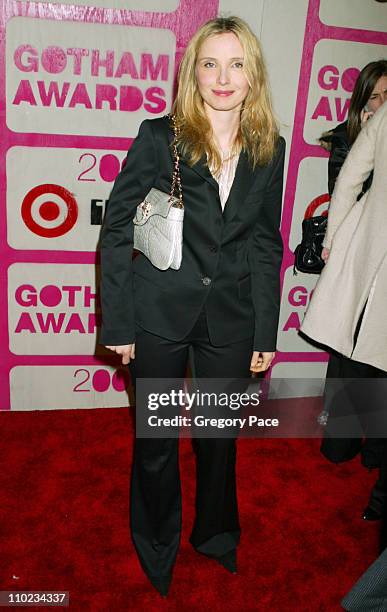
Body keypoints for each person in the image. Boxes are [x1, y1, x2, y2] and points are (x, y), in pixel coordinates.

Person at [99, 16, 285, 597]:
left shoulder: (269, 147)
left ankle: (215, 536)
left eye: (236, 64)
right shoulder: (161, 137)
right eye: (210, 63)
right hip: (157, 313)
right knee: (156, 440)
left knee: (216, 438)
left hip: (229, 317)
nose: (222, 77)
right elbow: (116, 230)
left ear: (252, 75)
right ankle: (157, 545)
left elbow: (264, 243)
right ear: (193, 72)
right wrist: (120, 321)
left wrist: (263, 330)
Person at [300, 100, 387, 525]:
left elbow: (352, 176)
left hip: (372, 257)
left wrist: (336, 240)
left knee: (360, 356)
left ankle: (351, 451)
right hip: (373, 264)